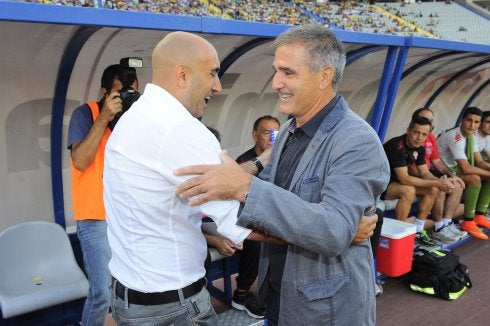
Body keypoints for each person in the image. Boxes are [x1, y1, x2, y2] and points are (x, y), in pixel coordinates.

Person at [175, 25, 390, 325]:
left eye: (288, 72)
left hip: (323, 310)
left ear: (325, 76)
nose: (276, 82)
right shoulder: (290, 130)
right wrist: (233, 181)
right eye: (276, 70)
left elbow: (332, 231)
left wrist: (245, 187)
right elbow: (277, 194)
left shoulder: (356, 141)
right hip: (277, 296)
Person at [103, 31, 286, 326]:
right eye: (213, 73)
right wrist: (324, 232)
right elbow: (240, 221)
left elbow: (205, 182)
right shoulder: (181, 130)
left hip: (131, 298)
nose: (217, 85)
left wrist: (261, 161)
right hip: (172, 308)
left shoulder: (136, 118)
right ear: (183, 74)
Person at [67, 64, 138, 326]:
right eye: (120, 95)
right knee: (102, 293)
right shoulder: (86, 113)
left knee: (131, 289)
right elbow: (80, 160)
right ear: (105, 92)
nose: (126, 100)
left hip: (128, 217)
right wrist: (104, 117)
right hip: (96, 217)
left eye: (132, 93)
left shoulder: (134, 121)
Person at [382, 116, 460, 246]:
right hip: (380, 183)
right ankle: (399, 233)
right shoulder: (397, 146)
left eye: (424, 134)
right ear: (408, 131)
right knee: (408, 190)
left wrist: (441, 182)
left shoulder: (420, 147)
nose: (419, 137)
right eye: (416, 132)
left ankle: (418, 230)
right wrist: (436, 182)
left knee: (434, 189)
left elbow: (424, 172)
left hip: (395, 182)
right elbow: (404, 178)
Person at [411, 108, 467, 241]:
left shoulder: (430, 137)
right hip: (416, 177)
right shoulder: (414, 138)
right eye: (425, 119)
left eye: (431, 120)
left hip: (428, 173)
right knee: (439, 188)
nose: (429, 123)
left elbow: (437, 161)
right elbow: (412, 169)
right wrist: (437, 181)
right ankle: (438, 227)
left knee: (457, 184)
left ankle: (446, 224)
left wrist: (451, 174)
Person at [438, 106, 490, 240]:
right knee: (474, 178)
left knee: (483, 175)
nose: (472, 125)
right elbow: (466, 168)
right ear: (462, 120)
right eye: (469, 120)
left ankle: (479, 215)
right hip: (440, 171)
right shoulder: (455, 137)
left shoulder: (470, 136)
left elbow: (479, 162)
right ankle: (468, 221)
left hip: (455, 170)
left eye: (476, 122)